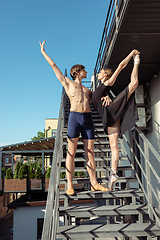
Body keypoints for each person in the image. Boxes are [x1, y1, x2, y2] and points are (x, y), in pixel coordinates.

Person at [39, 41, 109, 195]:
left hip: (88, 119)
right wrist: (44, 52)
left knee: (90, 151)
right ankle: (69, 184)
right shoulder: (68, 83)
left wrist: (107, 96)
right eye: (84, 70)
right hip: (75, 118)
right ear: (77, 72)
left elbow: (99, 97)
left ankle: (94, 183)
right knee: (70, 152)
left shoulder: (88, 89)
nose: (86, 71)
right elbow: (54, 67)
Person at [92, 50, 140, 191]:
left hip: (111, 111)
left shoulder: (107, 82)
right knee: (114, 146)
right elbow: (96, 95)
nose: (98, 73)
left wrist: (131, 54)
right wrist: (107, 97)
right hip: (108, 117)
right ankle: (113, 173)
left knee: (134, 83)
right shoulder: (100, 89)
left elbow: (120, 66)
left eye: (100, 72)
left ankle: (137, 62)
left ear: (105, 75)